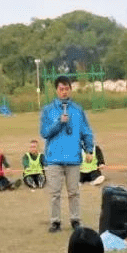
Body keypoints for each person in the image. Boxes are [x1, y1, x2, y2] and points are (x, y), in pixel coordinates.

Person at [40, 75, 94, 232]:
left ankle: (75, 220)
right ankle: (55, 221)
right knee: (55, 193)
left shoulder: (78, 110)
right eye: (61, 89)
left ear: (71, 89)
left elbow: (86, 131)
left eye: (67, 89)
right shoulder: (48, 111)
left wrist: (89, 149)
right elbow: (44, 133)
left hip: (73, 157)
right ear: (56, 90)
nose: (64, 92)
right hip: (54, 158)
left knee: (74, 193)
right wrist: (58, 122)